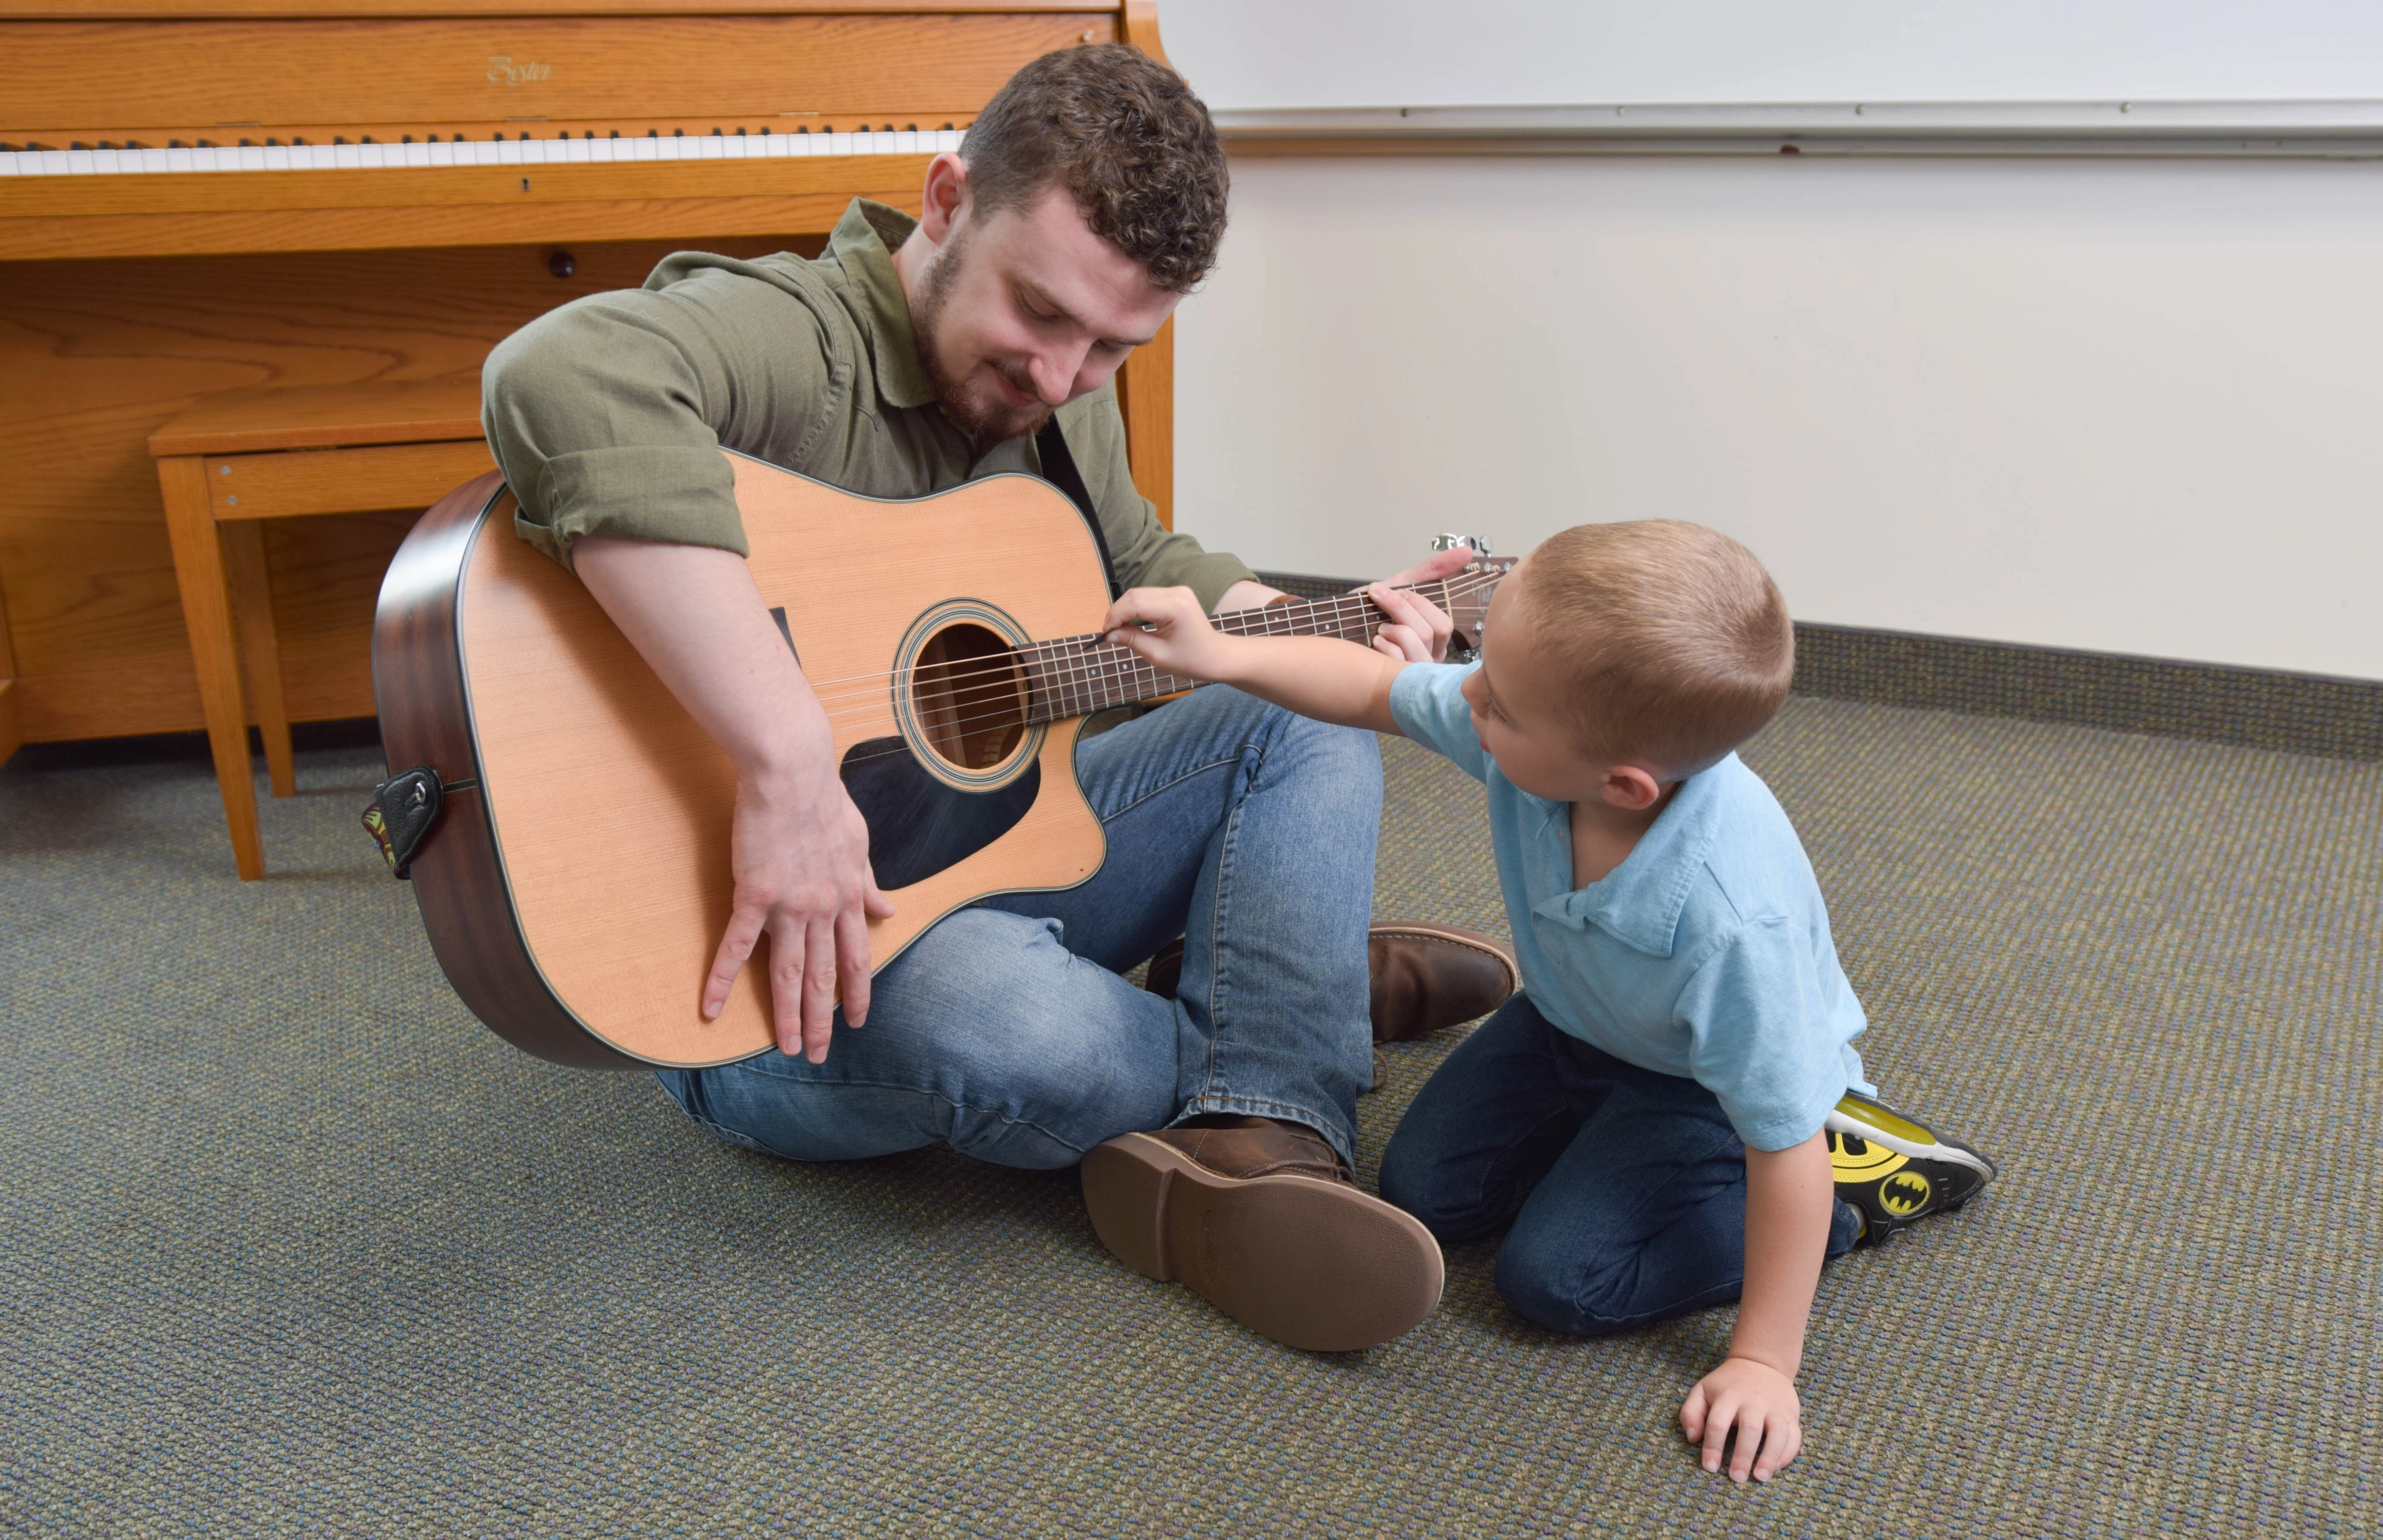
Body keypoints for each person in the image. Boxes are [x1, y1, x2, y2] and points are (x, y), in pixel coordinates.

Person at [478, 44, 1518, 1353]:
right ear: (945, 202)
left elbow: (1141, 571)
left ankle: (1269, 1118)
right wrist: (788, 766)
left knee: (1293, 706)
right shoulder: (796, 336)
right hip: (763, 983)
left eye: (1110, 347)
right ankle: (1280, 993)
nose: (1059, 375)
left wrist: (1318, 629)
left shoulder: (1061, 384)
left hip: (985, 859)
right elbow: (552, 375)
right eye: (1038, 313)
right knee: (1032, 1037)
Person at [1092, 521, 1998, 1477]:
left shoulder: (1734, 926)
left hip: (1702, 1089)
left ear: (1622, 785)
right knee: (1421, 1194)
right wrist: (1218, 654)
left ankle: (1855, 1186)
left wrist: (1764, 1360)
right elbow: (1368, 690)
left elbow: (1780, 1149)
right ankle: (1610, 1155)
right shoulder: (1530, 723)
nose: (1459, 691)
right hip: (1571, 1019)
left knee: (1557, 1280)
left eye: (1492, 699)